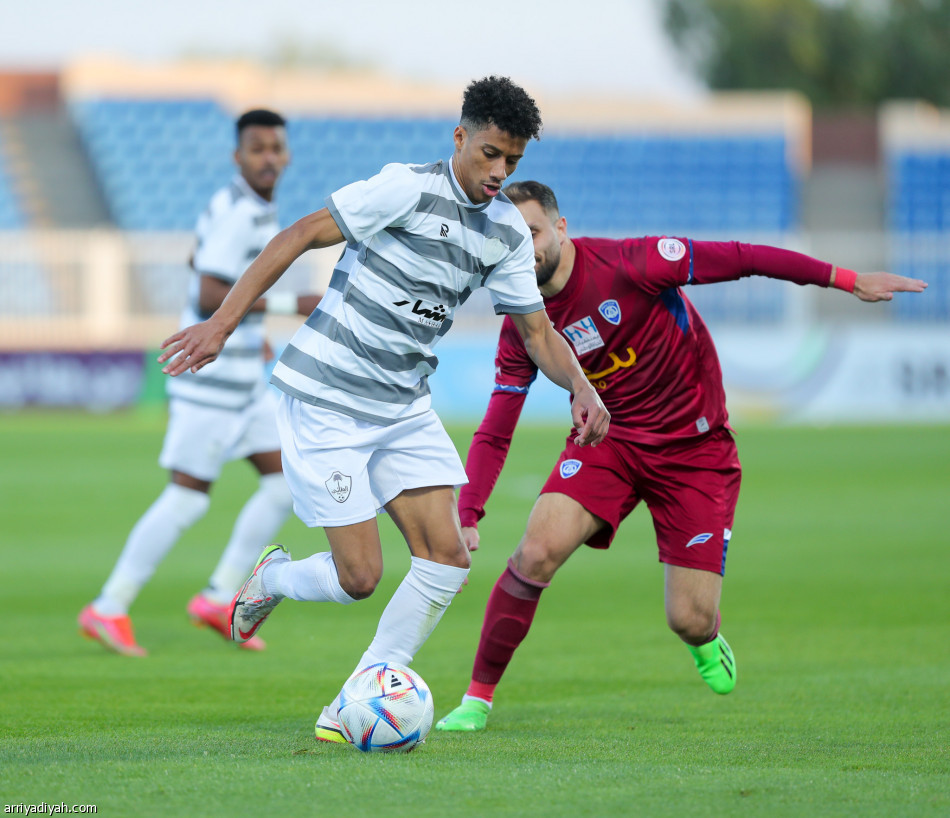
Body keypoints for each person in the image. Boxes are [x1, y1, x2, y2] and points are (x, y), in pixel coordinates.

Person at [158, 78, 610, 743]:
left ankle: (358, 698)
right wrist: (224, 324)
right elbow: (301, 232)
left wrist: (581, 385)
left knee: (448, 557)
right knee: (361, 577)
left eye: (511, 162)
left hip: (402, 406)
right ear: (460, 138)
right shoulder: (405, 187)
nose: (498, 172)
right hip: (328, 398)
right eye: (488, 154)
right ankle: (274, 578)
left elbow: (537, 331)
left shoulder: (505, 231)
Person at [435, 180, 928, 732]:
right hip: (610, 442)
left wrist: (846, 279)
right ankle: (477, 700)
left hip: (695, 452)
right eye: (509, 238)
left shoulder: (632, 264)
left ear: (560, 228)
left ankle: (706, 637)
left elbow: (744, 258)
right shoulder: (523, 322)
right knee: (535, 552)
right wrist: (470, 511)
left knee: (688, 619)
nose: (522, 248)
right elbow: (497, 425)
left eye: (531, 234)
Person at [79, 109, 321, 656]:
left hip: (240, 382)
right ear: (239, 156)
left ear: (285, 154)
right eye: (256, 148)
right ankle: (108, 605)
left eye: (275, 148)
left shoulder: (246, 206)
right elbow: (212, 293)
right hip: (209, 387)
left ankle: (217, 596)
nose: (267, 158)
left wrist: (248, 326)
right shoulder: (240, 212)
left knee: (283, 481)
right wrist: (291, 304)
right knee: (187, 499)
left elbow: (199, 261)